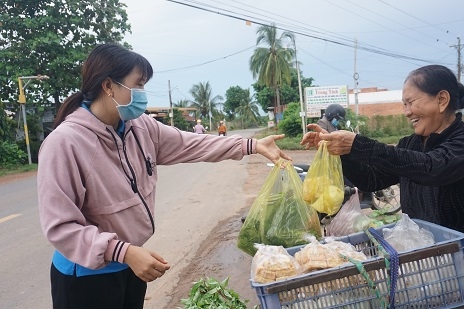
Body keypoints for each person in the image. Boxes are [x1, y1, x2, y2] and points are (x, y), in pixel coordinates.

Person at [37, 43, 292, 309]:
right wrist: (123, 252)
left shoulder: (139, 127)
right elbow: (61, 227)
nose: (142, 94)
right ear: (109, 86)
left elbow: (191, 144)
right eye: (138, 85)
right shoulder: (65, 143)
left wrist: (250, 145)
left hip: (132, 264)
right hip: (87, 278)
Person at [301, 64, 464, 308]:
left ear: (442, 100)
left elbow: (432, 168)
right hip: (430, 268)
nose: (406, 111)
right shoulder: (410, 144)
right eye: (404, 104)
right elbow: (373, 180)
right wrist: (340, 152)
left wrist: (358, 144)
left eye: (410, 102)